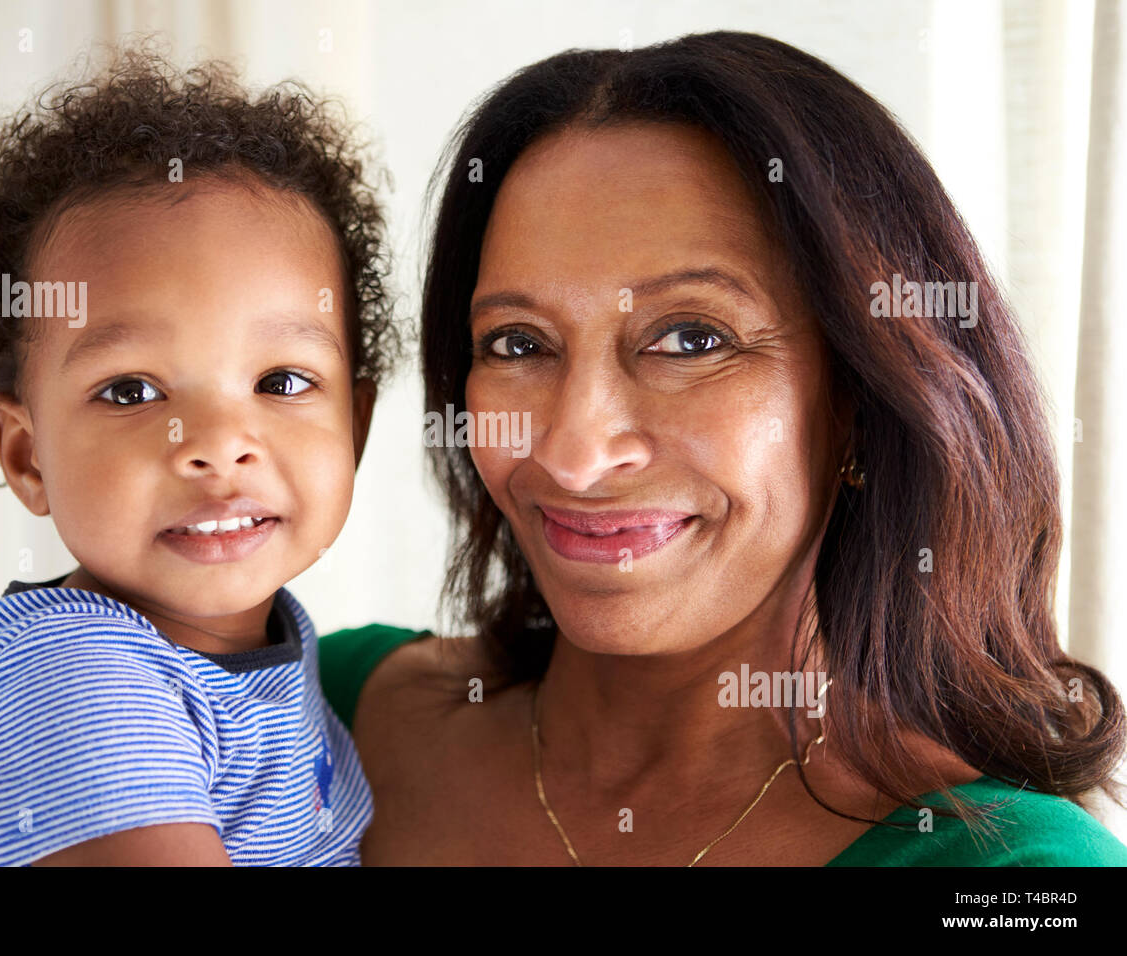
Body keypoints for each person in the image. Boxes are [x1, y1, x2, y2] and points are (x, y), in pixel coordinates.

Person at [320, 31, 1127, 865]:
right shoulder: (303, 710)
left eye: (693, 340)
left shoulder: (1015, 873)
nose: (573, 452)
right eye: (518, 344)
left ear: (859, 396)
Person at [0, 46, 395, 865]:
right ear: (27, 456)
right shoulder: (77, 674)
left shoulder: (276, 643)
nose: (216, 446)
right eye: (133, 391)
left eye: (281, 380)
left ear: (357, 424)